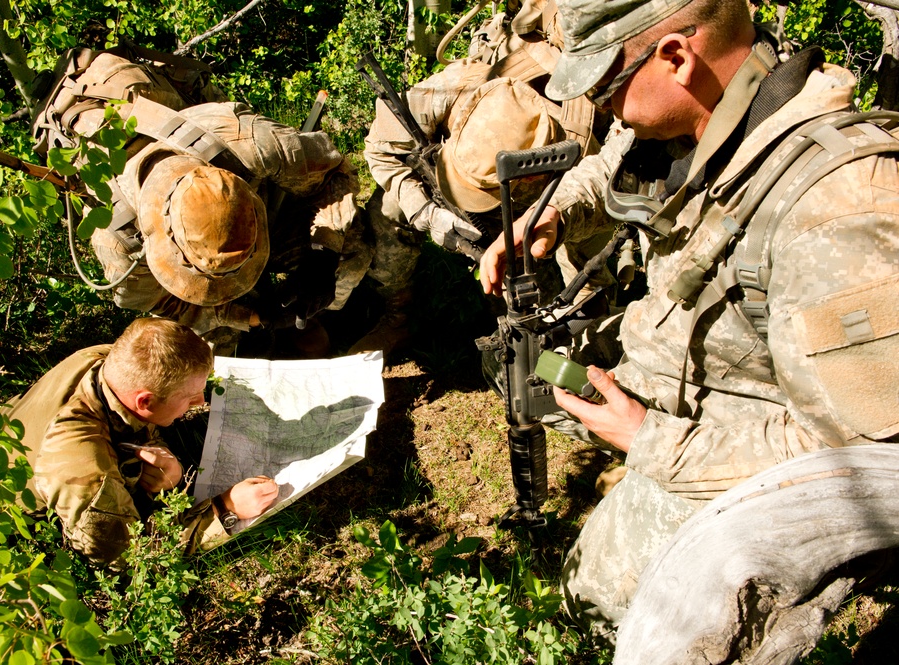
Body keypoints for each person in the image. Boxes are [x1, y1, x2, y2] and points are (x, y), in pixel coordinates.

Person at [479, 0, 899, 640]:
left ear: (676, 57)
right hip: (668, 380)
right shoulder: (703, 108)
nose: (604, 110)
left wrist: (652, 441)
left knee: (599, 602)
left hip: (744, 447)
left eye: (607, 88)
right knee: (535, 382)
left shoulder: (838, 208)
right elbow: (611, 165)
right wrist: (556, 211)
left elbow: (859, 461)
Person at [32, 47, 371, 357]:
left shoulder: (247, 142)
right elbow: (169, 305)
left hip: (271, 216)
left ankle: (318, 315)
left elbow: (336, 174)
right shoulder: (118, 243)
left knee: (352, 249)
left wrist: (323, 256)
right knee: (200, 349)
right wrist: (250, 317)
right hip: (187, 270)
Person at [353, 35, 608, 356]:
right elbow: (380, 149)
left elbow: (589, 281)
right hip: (449, 198)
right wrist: (425, 212)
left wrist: (568, 332)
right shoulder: (454, 92)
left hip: (531, 222)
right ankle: (398, 317)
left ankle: (519, 325)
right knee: (389, 206)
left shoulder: (581, 164)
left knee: (545, 310)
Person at [5, 318, 279, 568]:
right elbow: (132, 558)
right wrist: (225, 509)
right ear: (145, 401)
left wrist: (164, 461)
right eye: (190, 396)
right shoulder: (83, 471)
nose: (201, 403)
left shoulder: (110, 361)